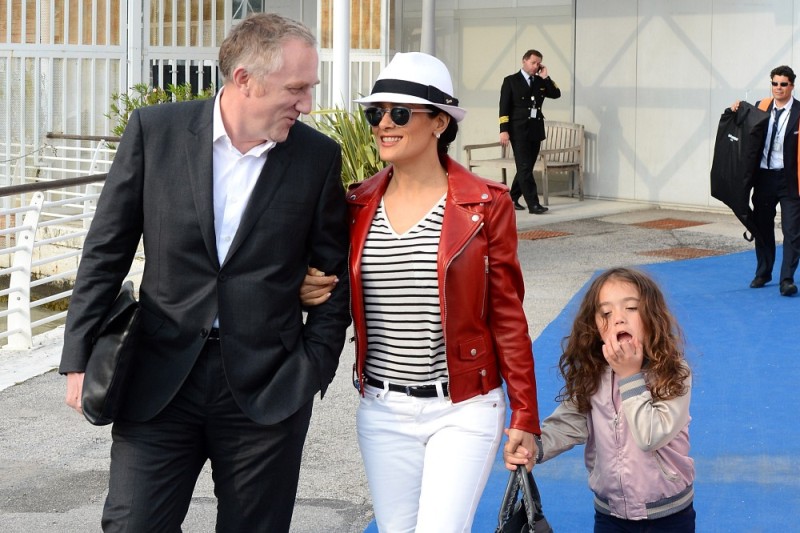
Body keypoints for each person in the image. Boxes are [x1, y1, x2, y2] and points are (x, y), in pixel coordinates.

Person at [59, 13, 351, 531]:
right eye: (297, 88)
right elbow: (106, 250)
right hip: (158, 379)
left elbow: (335, 275)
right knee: (132, 524)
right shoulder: (155, 132)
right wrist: (78, 357)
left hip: (269, 389)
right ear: (244, 79)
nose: (307, 104)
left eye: (310, 88)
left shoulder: (317, 157)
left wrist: (311, 367)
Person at [301, 52, 542, 532]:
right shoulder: (356, 204)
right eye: (375, 113)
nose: (383, 124)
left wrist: (525, 415)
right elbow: (332, 283)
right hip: (382, 410)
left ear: (439, 122)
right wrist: (303, 288)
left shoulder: (485, 205)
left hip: (464, 408)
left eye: (399, 112)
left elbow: (507, 316)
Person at [531, 267, 695, 531]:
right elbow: (568, 423)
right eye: (606, 313)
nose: (618, 319)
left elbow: (651, 435)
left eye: (631, 308)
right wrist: (534, 447)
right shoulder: (593, 375)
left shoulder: (673, 373)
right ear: (595, 327)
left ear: (652, 316)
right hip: (610, 513)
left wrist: (629, 376)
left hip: (668, 514)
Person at [731, 65, 800, 296]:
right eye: (774, 83)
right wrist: (736, 109)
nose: (778, 88)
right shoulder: (761, 106)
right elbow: (742, 122)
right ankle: (763, 272)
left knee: (792, 231)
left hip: (790, 179)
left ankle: (787, 279)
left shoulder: (799, 112)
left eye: (783, 84)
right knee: (762, 228)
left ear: (791, 86)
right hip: (764, 177)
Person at [499, 49, 561, 214]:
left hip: (535, 130)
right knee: (524, 167)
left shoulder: (540, 81)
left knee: (526, 167)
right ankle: (533, 204)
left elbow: (556, 94)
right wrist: (503, 130)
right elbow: (504, 107)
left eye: (538, 63)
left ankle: (511, 198)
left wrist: (546, 77)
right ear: (524, 61)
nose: (535, 66)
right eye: (533, 62)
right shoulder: (511, 81)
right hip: (518, 130)